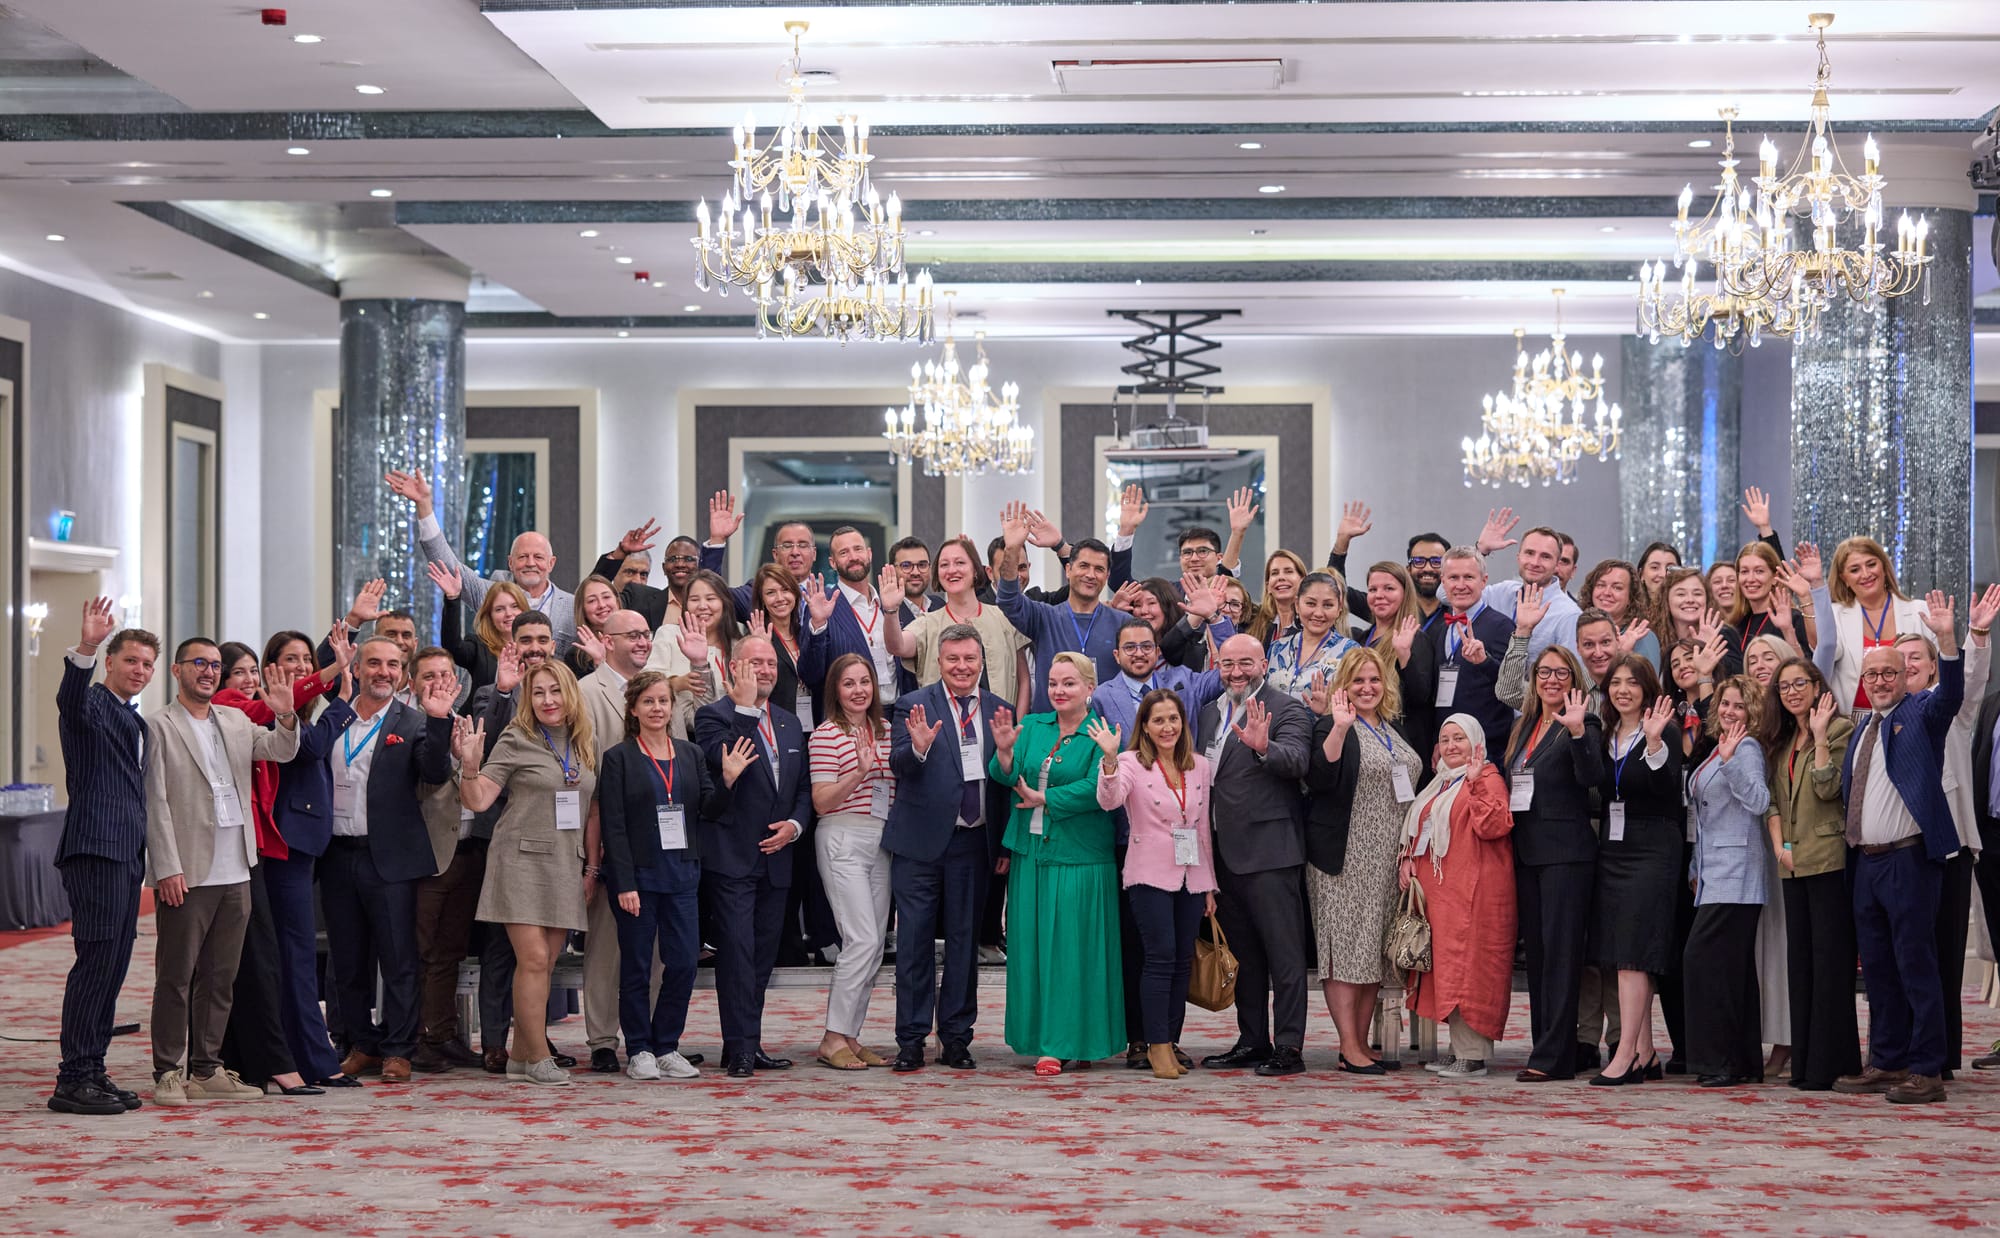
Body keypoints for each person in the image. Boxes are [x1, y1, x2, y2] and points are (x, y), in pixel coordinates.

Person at [145, 636, 302, 1105]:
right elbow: (154, 802)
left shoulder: (234, 720)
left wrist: (286, 715)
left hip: (237, 866)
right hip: (188, 870)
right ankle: (167, 1070)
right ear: (177, 671)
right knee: (176, 977)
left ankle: (206, 1068)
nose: (209, 671)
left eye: (215, 665)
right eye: (199, 663)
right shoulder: (158, 726)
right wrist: (166, 867)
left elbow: (279, 750)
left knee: (221, 977)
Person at [1832, 593, 1962, 1104]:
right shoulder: (1863, 728)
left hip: (1908, 859)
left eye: (1890, 673)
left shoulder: (1922, 713)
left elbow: (1951, 694)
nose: (1881, 681)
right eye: (1873, 675)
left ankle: (1927, 1069)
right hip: (1865, 863)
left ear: (1907, 676)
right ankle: (1888, 1060)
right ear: (1863, 681)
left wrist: (1947, 641)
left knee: (1915, 964)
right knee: (1879, 969)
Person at [213, 628, 350, 1092]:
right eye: (239, 672)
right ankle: (293, 1059)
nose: (248, 680)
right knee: (281, 956)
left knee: (285, 956)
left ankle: (299, 1057)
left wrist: (330, 670)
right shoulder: (242, 708)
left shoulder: (277, 711)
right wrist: (335, 678)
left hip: (283, 843)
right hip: (268, 845)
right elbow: (306, 742)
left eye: (253, 671)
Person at [599, 671, 749, 1081]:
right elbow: (613, 826)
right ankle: (639, 1048)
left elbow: (708, 809)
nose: (657, 708)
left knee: (683, 963)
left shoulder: (690, 754)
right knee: (637, 967)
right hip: (638, 880)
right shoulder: (618, 758)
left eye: (663, 700)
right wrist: (624, 883)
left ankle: (666, 1045)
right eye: (648, 701)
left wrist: (728, 780)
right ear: (633, 709)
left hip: (682, 875)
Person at [320, 636, 457, 1084]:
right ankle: (362, 1044)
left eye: (393, 665)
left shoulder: (413, 721)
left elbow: (435, 772)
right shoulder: (334, 716)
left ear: (402, 674)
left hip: (391, 860)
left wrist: (439, 721)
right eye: (375, 663)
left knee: (398, 960)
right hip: (337, 855)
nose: (384, 672)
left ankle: (399, 1049)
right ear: (357, 668)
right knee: (347, 960)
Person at [454, 660, 597, 1086]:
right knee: (532, 959)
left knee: (545, 964)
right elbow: (479, 799)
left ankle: (519, 1056)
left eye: (554, 691)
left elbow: (593, 810)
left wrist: (592, 867)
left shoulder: (585, 741)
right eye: (538, 693)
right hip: (519, 860)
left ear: (570, 694)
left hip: (565, 861)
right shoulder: (517, 737)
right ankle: (537, 1056)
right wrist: (469, 765)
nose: (547, 700)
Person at [884, 623, 1015, 1071]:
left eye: (970, 659)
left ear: (982, 661)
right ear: (938, 662)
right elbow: (898, 764)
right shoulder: (912, 705)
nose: (962, 667)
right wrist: (918, 749)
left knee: (964, 944)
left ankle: (957, 1038)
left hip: (973, 844)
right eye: (953, 659)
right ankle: (911, 1039)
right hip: (919, 844)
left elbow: (1003, 785)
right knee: (914, 943)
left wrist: (1002, 843)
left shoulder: (1000, 709)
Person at [48, 600, 159, 1115]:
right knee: (96, 964)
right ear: (110, 663)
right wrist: (87, 646)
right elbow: (69, 699)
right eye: (131, 660)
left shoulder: (134, 721)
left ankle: (92, 1068)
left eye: (147, 664)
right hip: (95, 849)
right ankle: (72, 1078)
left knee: (112, 966)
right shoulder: (90, 704)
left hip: (125, 855)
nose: (139, 670)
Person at [989, 653, 1125, 1075]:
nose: (1059, 690)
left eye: (1069, 683)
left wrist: (1047, 799)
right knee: (1031, 950)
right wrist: (1005, 753)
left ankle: (1066, 1042)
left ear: (1089, 688)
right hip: (1030, 854)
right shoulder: (1032, 725)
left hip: (1079, 856)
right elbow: (1005, 775)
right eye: (1053, 683)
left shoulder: (1101, 733)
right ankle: (1042, 1037)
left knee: (1071, 953)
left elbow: (1098, 789)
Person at [692, 635, 811, 1078]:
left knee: (761, 958)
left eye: (771, 663)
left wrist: (795, 825)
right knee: (738, 955)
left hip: (777, 859)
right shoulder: (713, 716)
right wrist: (744, 711)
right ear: (733, 668)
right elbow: (726, 764)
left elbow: (802, 788)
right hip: (732, 859)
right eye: (755, 662)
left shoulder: (788, 722)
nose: (765, 670)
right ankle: (740, 1047)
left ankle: (747, 1042)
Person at [1196, 633, 1315, 1077]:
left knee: (1284, 956)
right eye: (1228, 664)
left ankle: (1289, 1046)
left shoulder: (1287, 709)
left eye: (1246, 663)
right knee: (1244, 956)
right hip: (1222, 854)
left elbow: (1298, 761)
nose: (1236, 672)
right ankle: (1252, 1040)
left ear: (1264, 664)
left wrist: (1265, 747)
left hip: (1270, 853)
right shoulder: (1209, 713)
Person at [1302, 647, 1423, 1075]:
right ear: (1344, 686)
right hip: (1345, 857)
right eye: (1358, 681)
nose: (1367, 688)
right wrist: (1337, 727)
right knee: (1344, 950)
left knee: (1372, 951)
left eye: (1374, 680)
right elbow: (1320, 776)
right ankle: (1348, 1045)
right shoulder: (1331, 724)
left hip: (1387, 859)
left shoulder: (1393, 727)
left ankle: (1359, 1042)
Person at [1897, 584, 1999, 1077]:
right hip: (1897, 851)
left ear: (1935, 666)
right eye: (1900, 660)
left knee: (1942, 954)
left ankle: (1938, 1058)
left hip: (1950, 847)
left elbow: (1971, 680)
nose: (1908, 665)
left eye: (1916, 657)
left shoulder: (1952, 708)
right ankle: (1900, 1052)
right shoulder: (1882, 718)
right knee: (1903, 958)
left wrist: (1969, 634)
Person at [1094, 689, 1217, 1080]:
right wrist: (1109, 760)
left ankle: (1171, 1039)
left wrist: (1209, 885)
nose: (1167, 727)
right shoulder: (1130, 762)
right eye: (1158, 720)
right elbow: (1109, 801)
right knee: (1160, 956)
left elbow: (1202, 828)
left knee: (1182, 960)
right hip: (1149, 874)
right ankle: (1155, 1043)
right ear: (1145, 727)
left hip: (1191, 875)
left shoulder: (1199, 765)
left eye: (1173, 719)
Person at [1502, 644, 1602, 1083]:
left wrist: (1578, 733)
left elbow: (1592, 778)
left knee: (1562, 956)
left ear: (1574, 680)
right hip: (1527, 854)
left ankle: (1555, 1057)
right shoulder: (1524, 725)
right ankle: (1544, 1044)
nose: (1552, 680)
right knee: (1540, 959)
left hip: (1566, 856)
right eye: (1544, 672)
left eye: (1562, 673)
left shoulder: (1583, 723)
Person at [1760, 657, 1860, 1091]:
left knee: (1830, 963)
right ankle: (1804, 1063)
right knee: (1800, 964)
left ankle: (1830, 1063)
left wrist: (1819, 737)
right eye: (1784, 687)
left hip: (1828, 859)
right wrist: (1779, 848)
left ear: (1818, 686)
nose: (1792, 692)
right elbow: (1772, 800)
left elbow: (1828, 787)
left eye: (1800, 683)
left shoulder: (1839, 730)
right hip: (1791, 863)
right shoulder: (1781, 739)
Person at [1399, 714, 1515, 1081]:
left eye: (1459, 738)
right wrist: (1407, 859)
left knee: (1471, 969)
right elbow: (1422, 828)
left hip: (1475, 894)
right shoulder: (1442, 782)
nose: (1451, 745)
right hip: (1444, 894)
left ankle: (1473, 1055)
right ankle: (1459, 1049)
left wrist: (1477, 782)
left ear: (1476, 742)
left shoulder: (1487, 777)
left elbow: (1494, 825)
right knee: (1450, 969)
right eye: (1445, 739)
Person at [1587, 655, 1683, 1086]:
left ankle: (1625, 1054)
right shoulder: (1606, 732)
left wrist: (1655, 742)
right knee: (1622, 954)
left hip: (1653, 847)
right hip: (1614, 848)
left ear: (1647, 688)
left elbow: (1666, 789)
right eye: (1616, 683)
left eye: (1632, 682)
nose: (1623, 690)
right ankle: (1644, 1052)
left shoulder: (1663, 729)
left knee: (1634, 955)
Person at [575, 608, 660, 1075]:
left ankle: (650, 1039)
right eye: (633, 635)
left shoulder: (658, 688)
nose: (643, 641)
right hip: (609, 836)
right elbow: (587, 775)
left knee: (656, 951)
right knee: (607, 948)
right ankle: (603, 1040)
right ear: (607, 641)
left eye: (647, 634)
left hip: (661, 843)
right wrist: (597, 847)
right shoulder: (588, 692)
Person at [807, 655, 898, 1071]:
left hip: (881, 840)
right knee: (859, 939)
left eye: (865, 681)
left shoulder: (887, 731)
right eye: (849, 683)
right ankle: (831, 1037)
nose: (859, 690)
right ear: (835, 690)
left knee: (875, 943)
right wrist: (858, 773)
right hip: (842, 836)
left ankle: (849, 1035)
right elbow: (821, 801)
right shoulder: (826, 735)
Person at [1683, 675, 1771, 1088]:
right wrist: (1695, 867)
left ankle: (1720, 1060)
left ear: (1752, 711)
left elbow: (1758, 801)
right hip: (1713, 871)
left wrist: (1732, 760)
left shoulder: (1747, 748)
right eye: (1725, 704)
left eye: (1739, 705)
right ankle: (1742, 1061)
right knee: (1732, 970)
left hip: (1737, 874)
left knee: (1704, 962)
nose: (1730, 711)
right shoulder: (1715, 747)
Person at [390, 467, 579, 652]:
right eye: (522, 557)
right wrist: (424, 504)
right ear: (510, 563)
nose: (530, 563)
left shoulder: (573, 606)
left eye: (538, 557)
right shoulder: (490, 594)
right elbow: (448, 565)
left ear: (551, 563)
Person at [409, 645, 490, 1072]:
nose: (439, 683)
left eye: (445, 675)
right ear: (412, 683)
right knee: (421, 952)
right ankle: (416, 1038)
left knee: (451, 951)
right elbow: (428, 776)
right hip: (429, 857)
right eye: (429, 676)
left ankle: (443, 1034)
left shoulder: (466, 722)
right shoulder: (409, 725)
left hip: (469, 851)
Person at [995, 501, 1134, 713]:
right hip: (1051, 727)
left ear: (1107, 576)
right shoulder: (1045, 618)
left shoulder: (1123, 623)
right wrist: (1012, 549)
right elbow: (1008, 600)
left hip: (1105, 727)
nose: (1090, 575)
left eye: (1098, 569)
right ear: (1068, 570)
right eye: (1083, 566)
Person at [883, 536, 1032, 712]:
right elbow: (897, 646)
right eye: (944, 565)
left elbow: (1024, 680)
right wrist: (891, 611)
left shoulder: (1003, 617)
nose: (952, 570)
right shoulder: (928, 623)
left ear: (975, 570)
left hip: (1001, 724)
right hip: (942, 726)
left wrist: (1019, 724)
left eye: (960, 563)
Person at [1803, 536, 1931, 711]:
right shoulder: (1834, 614)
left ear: (1884, 567)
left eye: (1871, 564)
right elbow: (1824, 654)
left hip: (1910, 716)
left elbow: (1938, 674)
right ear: (1844, 579)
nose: (1865, 574)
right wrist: (1817, 585)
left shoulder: (1920, 611)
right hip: (1852, 721)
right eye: (1855, 570)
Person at [1428, 547, 1518, 750]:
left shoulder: (1501, 626)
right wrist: (1438, 740)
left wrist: (1484, 662)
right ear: (1443, 582)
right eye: (1453, 578)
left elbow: (1513, 687)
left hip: (1487, 748)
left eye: (1468, 577)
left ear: (1483, 581)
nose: (1461, 585)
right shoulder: (1441, 629)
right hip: (1449, 748)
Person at [1325, 502, 1449, 634]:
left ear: (1447, 569)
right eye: (1419, 561)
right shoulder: (1389, 606)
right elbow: (1337, 590)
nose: (1428, 568)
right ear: (1408, 569)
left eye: (1436, 561)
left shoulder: (1457, 611)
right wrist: (1342, 541)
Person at [1472, 510, 1582, 659]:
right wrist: (1480, 551)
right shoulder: (1502, 592)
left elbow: (1574, 670)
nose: (1535, 562)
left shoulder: (1568, 614)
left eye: (1545, 556)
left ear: (1557, 565)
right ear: (1519, 557)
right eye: (1529, 553)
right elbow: (1446, 596)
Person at [1357, 561, 1439, 755]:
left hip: (1401, 746)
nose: (1379, 595)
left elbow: (1421, 697)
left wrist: (1404, 656)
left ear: (1405, 594)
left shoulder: (1416, 639)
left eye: (1389, 588)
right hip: (1365, 744)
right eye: (1373, 589)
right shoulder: (1360, 639)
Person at [644, 568, 735, 735]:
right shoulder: (669, 634)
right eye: (694, 599)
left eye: (710, 598)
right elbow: (644, 683)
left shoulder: (736, 645)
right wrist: (676, 683)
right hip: (674, 736)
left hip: (727, 734)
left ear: (724, 602)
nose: (702, 606)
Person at [749, 562, 830, 728]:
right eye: (771, 593)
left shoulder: (807, 633)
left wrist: (818, 623)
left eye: (785, 590)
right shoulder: (757, 639)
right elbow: (753, 692)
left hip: (815, 724)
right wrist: (761, 652)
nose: (780, 598)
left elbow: (817, 675)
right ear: (762, 600)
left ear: (795, 593)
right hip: (775, 726)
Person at [1266, 572, 1359, 703]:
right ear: (1297, 605)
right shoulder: (1277, 648)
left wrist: (1326, 709)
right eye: (1310, 603)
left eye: (1328, 605)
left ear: (1339, 608)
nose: (1318, 613)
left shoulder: (1350, 652)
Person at [436, 573, 530, 696]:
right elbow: (453, 647)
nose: (508, 613)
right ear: (490, 616)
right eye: (499, 609)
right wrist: (452, 600)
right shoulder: (478, 647)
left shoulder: (536, 648)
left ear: (524, 609)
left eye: (515, 606)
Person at [1654, 567, 1743, 678]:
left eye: (1697, 594)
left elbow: (1737, 678)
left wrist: (1706, 648)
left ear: (1707, 599)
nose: (1690, 600)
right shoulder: (1656, 639)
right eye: (1681, 594)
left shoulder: (1721, 633)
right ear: (1666, 600)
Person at [1732, 542, 1814, 653]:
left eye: (1759, 571)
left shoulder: (1793, 619)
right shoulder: (1738, 625)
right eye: (1744, 571)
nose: (1750, 579)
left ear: (1775, 578)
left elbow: (1806, 662)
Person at [1581, 559, 1661, 665]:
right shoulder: (1579, 630)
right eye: (1601, 585)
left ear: (1631, 598)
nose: (1607, 592)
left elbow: (1648, 676)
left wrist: (1621, 654)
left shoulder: (1644, 638)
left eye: (1617, 588)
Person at [562, 574, 623, 678]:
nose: (601, 605)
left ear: (617, 602)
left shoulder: (638, 640)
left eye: (606, 597)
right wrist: (600, 662)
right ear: (583, 610)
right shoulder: (576, 656)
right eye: (592, 601)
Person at [1247, 549, 1310, 646]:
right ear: (1268, 586)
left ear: (1303, 581)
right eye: (1275, 573)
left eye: (1288, 571)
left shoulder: (1312, 622)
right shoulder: (1256, 621)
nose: (1281, 577)